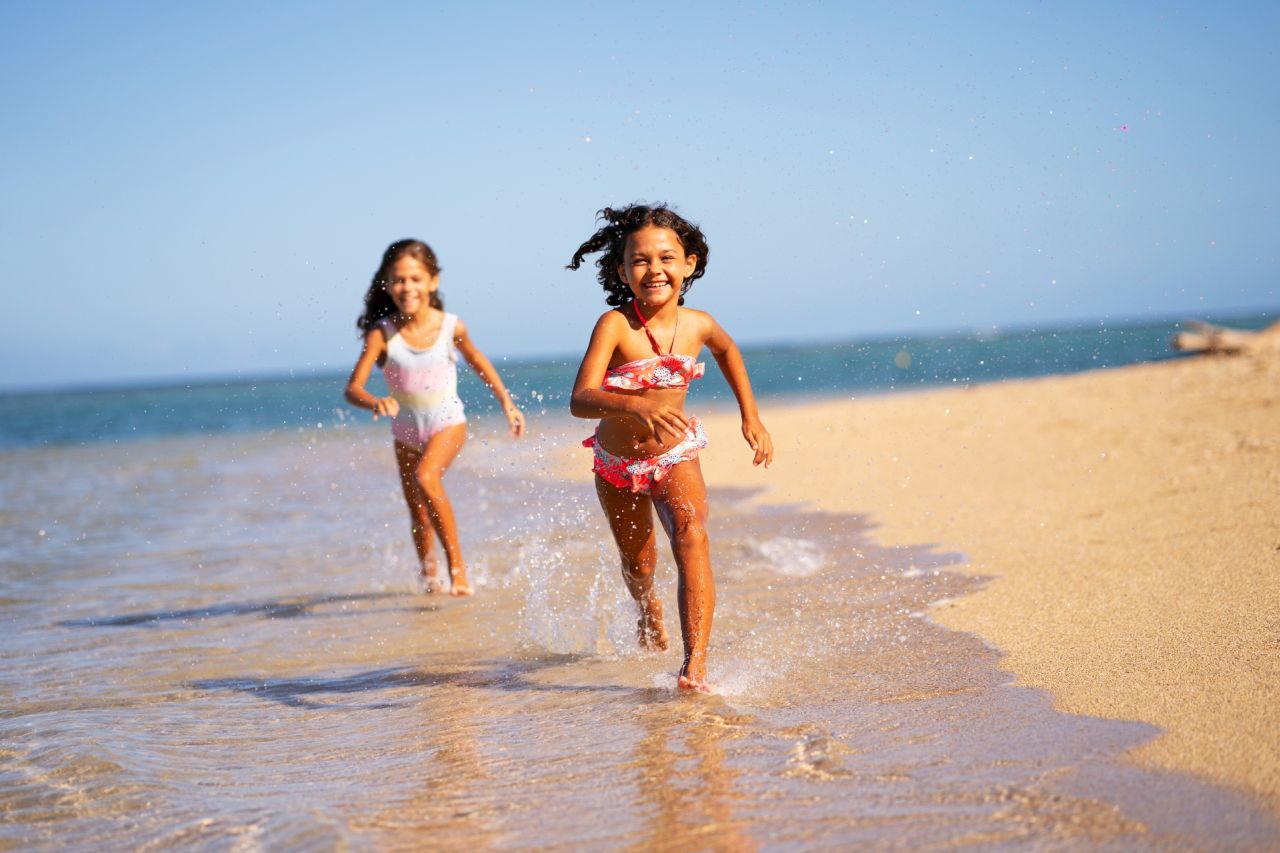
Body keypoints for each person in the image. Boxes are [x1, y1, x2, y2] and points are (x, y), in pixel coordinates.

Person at [568, 204, 773, 691]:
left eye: (666, 258)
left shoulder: (699, 324)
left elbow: (727, 350)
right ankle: (646, 609)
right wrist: (635, 405)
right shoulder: (614, 325)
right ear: (622, 270)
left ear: (690, 264)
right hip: (617, 463)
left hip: (674, 453)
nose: (653, 270)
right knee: (639, 563)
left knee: (691, 535)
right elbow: (580, 399)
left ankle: (694, 664)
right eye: (639, 261)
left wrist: (751, 415)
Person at [346, 239, 525, 596]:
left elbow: (479, 363)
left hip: (448, 422)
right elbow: (353, 388)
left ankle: (458, 573)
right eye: (398, 280)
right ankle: (430, 579)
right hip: (405, 432)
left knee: (427, 478)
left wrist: (507, 402)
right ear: (387, 283)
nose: (406, 287)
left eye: (415, 278)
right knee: (418, 515)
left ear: (432, 281)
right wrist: (374, 402)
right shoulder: (382, 334)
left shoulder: (451, 327)